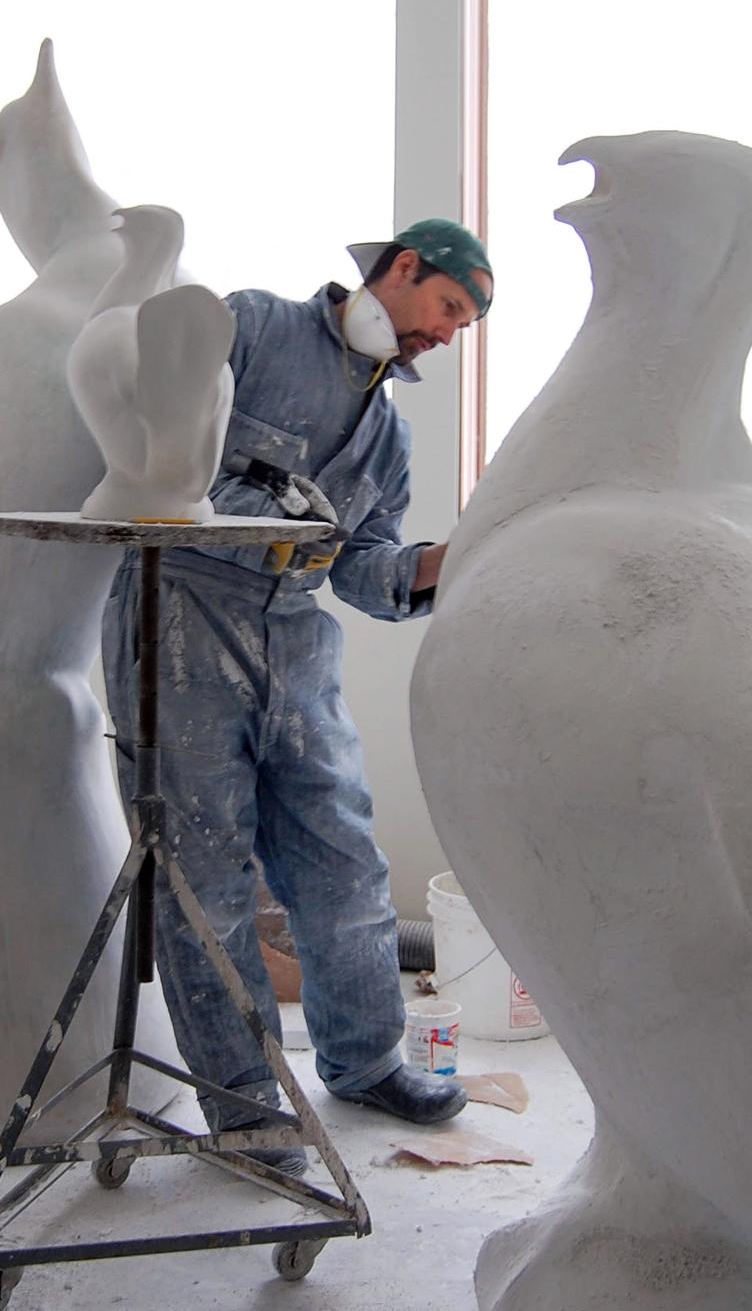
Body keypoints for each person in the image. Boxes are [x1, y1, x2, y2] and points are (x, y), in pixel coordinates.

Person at [102, 218, 494, 1175]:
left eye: (465, 326)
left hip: (296, 638)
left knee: (344, 863)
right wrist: (283, 511)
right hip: (182, 616)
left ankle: (365, 1062)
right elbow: (166, 470)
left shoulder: (388, 437)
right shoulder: (252, 327)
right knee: (206, 880)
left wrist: (458, 559)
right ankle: (243, 1110)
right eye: (450, 308)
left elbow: (363, 568)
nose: (448, 334)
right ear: (404, 269)